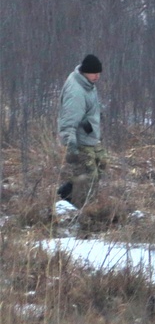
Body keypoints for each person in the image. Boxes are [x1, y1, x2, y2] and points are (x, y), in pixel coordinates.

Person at [57, 54, 108, 208]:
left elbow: (84, 111)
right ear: (85, 71)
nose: (97, 76)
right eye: (94, 73)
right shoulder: (76, 92)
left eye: (99, 73)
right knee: (88, 176)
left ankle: (68, 193)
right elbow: (68, 122)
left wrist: (91, 122)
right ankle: (79, 207)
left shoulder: (87, 84)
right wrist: (71, 147)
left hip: (89, 137)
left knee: (101, 165)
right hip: (79, 141)